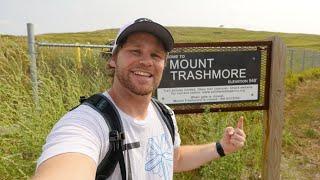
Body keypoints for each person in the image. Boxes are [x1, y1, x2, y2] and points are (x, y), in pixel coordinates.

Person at [33, 18, 246, 180]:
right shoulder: (87, 123)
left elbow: (174, 158)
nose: (146, 61)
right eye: (135, 51)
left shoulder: (164, 114)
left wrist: (221, 147)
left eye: (156, 55)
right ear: (114, 59)